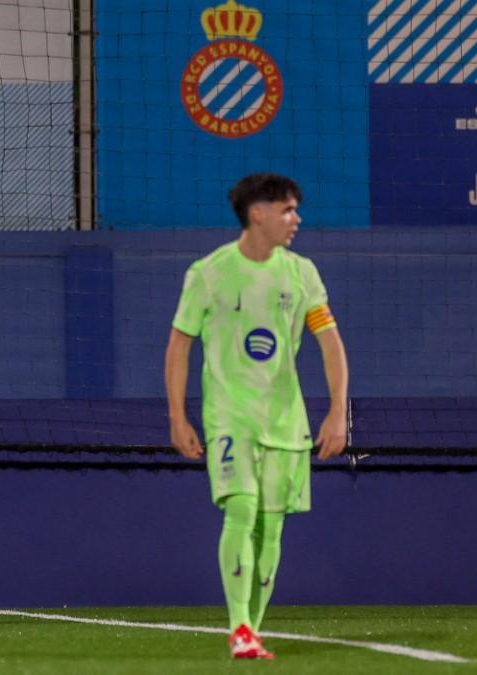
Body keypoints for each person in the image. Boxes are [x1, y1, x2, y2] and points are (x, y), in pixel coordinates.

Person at [164, 173, 349, 660]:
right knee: (241, 509)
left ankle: (252, 632)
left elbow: (329, 342)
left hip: (286, 421)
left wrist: (336, 412)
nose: (297, 219)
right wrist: (178, 418)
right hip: (230, 417)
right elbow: (179, 345)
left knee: (271, 525)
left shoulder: (302, 273)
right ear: (257, 213)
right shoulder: (208, 273)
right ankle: (239, 627)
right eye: (288, 209)